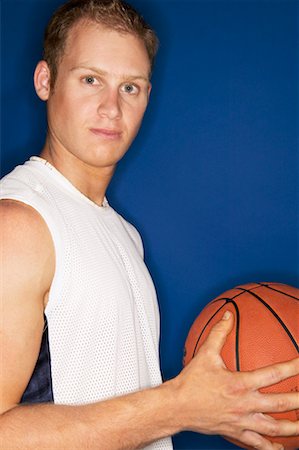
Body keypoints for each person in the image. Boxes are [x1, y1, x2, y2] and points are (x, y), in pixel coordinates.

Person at [0, 1, 298, 449]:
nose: (111, 108)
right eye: (90, 80)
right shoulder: (20, 225)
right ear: (46, 80)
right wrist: (176, 406)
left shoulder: (124, 234)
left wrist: (202, 402)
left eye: (131, 88)